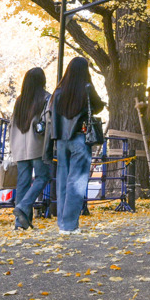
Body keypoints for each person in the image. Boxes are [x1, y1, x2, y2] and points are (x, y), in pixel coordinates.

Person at [50, 56, 105, 234]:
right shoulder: (86, 88)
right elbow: (98, 107)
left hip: (61, 141)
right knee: (77, 182)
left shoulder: (57, 92)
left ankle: (63, 224)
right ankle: (69, 225)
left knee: (63, 182)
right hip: (80, 138)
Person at [11, 67, 51, 230]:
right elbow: (48, 120)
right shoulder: (46, 97)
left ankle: (20, 223)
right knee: (42, 177)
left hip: (19, 145)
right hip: (37, 144)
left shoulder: (20, 100)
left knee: (23, 182)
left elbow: (12, 123)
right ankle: (23, 206)